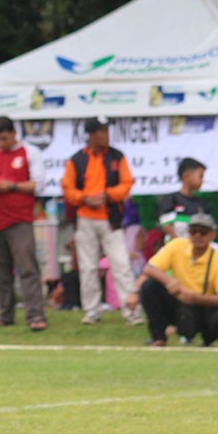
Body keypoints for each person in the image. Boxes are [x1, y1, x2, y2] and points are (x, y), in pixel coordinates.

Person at [60, 116, 143, 326]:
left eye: (106, 131)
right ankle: (92, 311)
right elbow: (67, 189)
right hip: (85, 218)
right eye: (101, 131)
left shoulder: (117, 156)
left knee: (121, 265)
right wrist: (84, 198)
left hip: (111, 218)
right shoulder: (76, 159)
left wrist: (107, 195)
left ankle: (131, 311)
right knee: (87, 267)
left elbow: (127, 183)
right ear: (90, 135)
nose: (106, 135)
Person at [0, 115, 48, 331]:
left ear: (14, 134)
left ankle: (35, 315)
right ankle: (5, 314)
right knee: (0, 271)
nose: (2, 143)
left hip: (19, 220)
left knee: (28, 268)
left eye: (5, 139)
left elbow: (39, 185)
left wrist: (13, 186)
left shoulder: (30, 153)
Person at [137, 212, 218, 346]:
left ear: (212, 235)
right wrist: (170, 282)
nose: (197, 236)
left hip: (204, 307)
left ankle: (207, 339)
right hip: (179, 303)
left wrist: (195, 297)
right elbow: (149, 268)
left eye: (203, 232)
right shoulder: (177, 245)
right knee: (149, 286)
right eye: (193, 231)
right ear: (188, 233)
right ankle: (158, 337)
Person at [157, 157, 209, 241]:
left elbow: (207, 228)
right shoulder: (171, 199)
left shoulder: (202, 203)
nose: (202, 180)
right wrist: (181, 245)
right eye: (201, 176)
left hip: (197, 250)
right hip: (175, 249)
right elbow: (167, 226)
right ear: (186, 175)